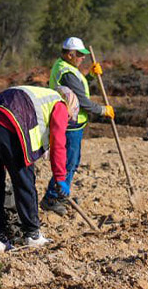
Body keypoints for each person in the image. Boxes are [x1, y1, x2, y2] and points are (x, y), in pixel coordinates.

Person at [0, 83, 78, 251]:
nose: (68, 121)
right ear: (71, 104)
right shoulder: (60, 104)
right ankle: (33, 235)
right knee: (24, 181)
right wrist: (60, 177)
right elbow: (58, 142)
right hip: (9, 124)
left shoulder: (39, 94)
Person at [45, 37, 113, 215]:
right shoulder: (66, 72)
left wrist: (90, 75)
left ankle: (58, 195)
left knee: (72, 162)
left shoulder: (66, 67)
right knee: (69, 163)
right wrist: (102, 110)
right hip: (69, 125)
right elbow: (82, 101)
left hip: (72, 123)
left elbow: (77, 88)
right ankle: (52, 198)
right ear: (69, 54)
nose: (83, 58)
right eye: (80, 55)